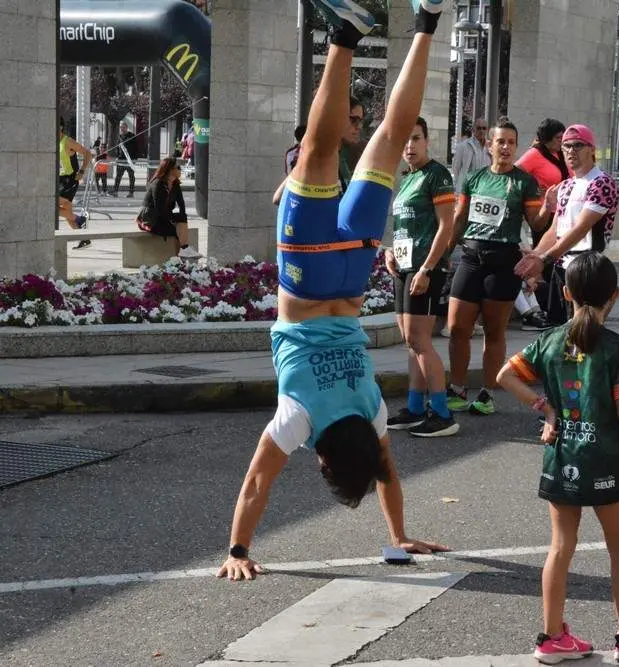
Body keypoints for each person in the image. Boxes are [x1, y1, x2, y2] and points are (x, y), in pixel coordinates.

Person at [217, 0, 449, 582]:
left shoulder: (373, 414)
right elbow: (256, 482)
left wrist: (399, 534)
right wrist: (238, 552)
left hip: (352, 275)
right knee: (319, 156)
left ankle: (426, 20)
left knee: (392, 141)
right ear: (321, 458)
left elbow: (388, 473)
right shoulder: (298, 419)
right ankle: (343, 36)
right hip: (307, 276)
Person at [497, 252, 619, 664]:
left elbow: (504, 376)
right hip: (604, 460)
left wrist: (546, 409)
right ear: (615, 296)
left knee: (560, 548)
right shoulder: (617, 348)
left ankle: (551, 637)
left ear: (565, 292)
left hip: (561, 456)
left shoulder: (549, 341)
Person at [445, 118, 547, 417]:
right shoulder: (475, 178)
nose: (505, 147)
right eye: (500, 141)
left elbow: (537, 223)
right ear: (488, 145)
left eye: (511, 142)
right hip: (471, 256)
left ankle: (488, 392)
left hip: (503, 261)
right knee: (457, 327)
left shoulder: (523, 181)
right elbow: (460, 219)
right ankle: (458, 387)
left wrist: (547, 206)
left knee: (493, 330)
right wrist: (443, 255)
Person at [384, 116, 459, 437]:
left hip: (425, 268)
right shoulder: (407, 178)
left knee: (420, 340)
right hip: (403, 265)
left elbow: (446, 226)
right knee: (410, 341)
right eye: (404, 141)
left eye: (415, 138)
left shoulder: (437, 175)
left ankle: (442, 414)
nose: (409, 146)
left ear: (427, 141)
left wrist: (428, 268)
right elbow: (407, 226)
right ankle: (415, 408)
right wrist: (391, 251)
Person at [516, 125, 619, 299]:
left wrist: (544, 259)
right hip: (561, 267)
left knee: (582, 324)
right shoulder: (566, 185)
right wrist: (535, 255)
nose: (571, 150)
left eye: (578, 145)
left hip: (588, 267)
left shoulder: (602, 183)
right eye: (566, 145)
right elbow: (556, 229)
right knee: (559, 323)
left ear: (592, 150)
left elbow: (581, 228)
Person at [515, 118, 570, 331]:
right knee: (547, 262)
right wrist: (534, 190)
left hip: (563, 215)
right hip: (545, 217)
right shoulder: (535, 154)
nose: (562, 141)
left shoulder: (558, 155)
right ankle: (549, 310)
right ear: (547, 138)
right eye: (558, 138)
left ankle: (557, 309)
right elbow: (516, 174)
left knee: (558, 262)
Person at [136, 157, 202, 260]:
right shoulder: (158, 184)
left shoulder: (175, 184)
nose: (180, 170)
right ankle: (179, 259)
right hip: (150, 218)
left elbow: (181, 203)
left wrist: (182, 216)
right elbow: (159, 209)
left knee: (181, 218)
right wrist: (172, 220)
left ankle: (184, 250)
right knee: (174, 231)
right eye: (178, 167)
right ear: (170, 169)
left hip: (163, 215)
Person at [57, 117, 91, 234]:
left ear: (60, 127)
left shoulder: (68, 141)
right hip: (60, 180)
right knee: (67, 214)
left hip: (70, 180)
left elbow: (88, 153)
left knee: (51, 205)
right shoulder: (54, 141)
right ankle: (83, 238)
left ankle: (80, 219)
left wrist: (82, 171)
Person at [112, 121, 137, 198]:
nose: (122, 129)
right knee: (118, 176)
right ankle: (115, 192)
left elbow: (136, 148)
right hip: (121, 160)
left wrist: (135, 158)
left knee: (131, 177)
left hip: (130, 160)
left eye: (123, 127)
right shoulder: (119, 137)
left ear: (126, 127)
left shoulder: (132, 136)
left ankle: (131, 192)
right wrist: (116, 157)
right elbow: (117, 148)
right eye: (121, 127)